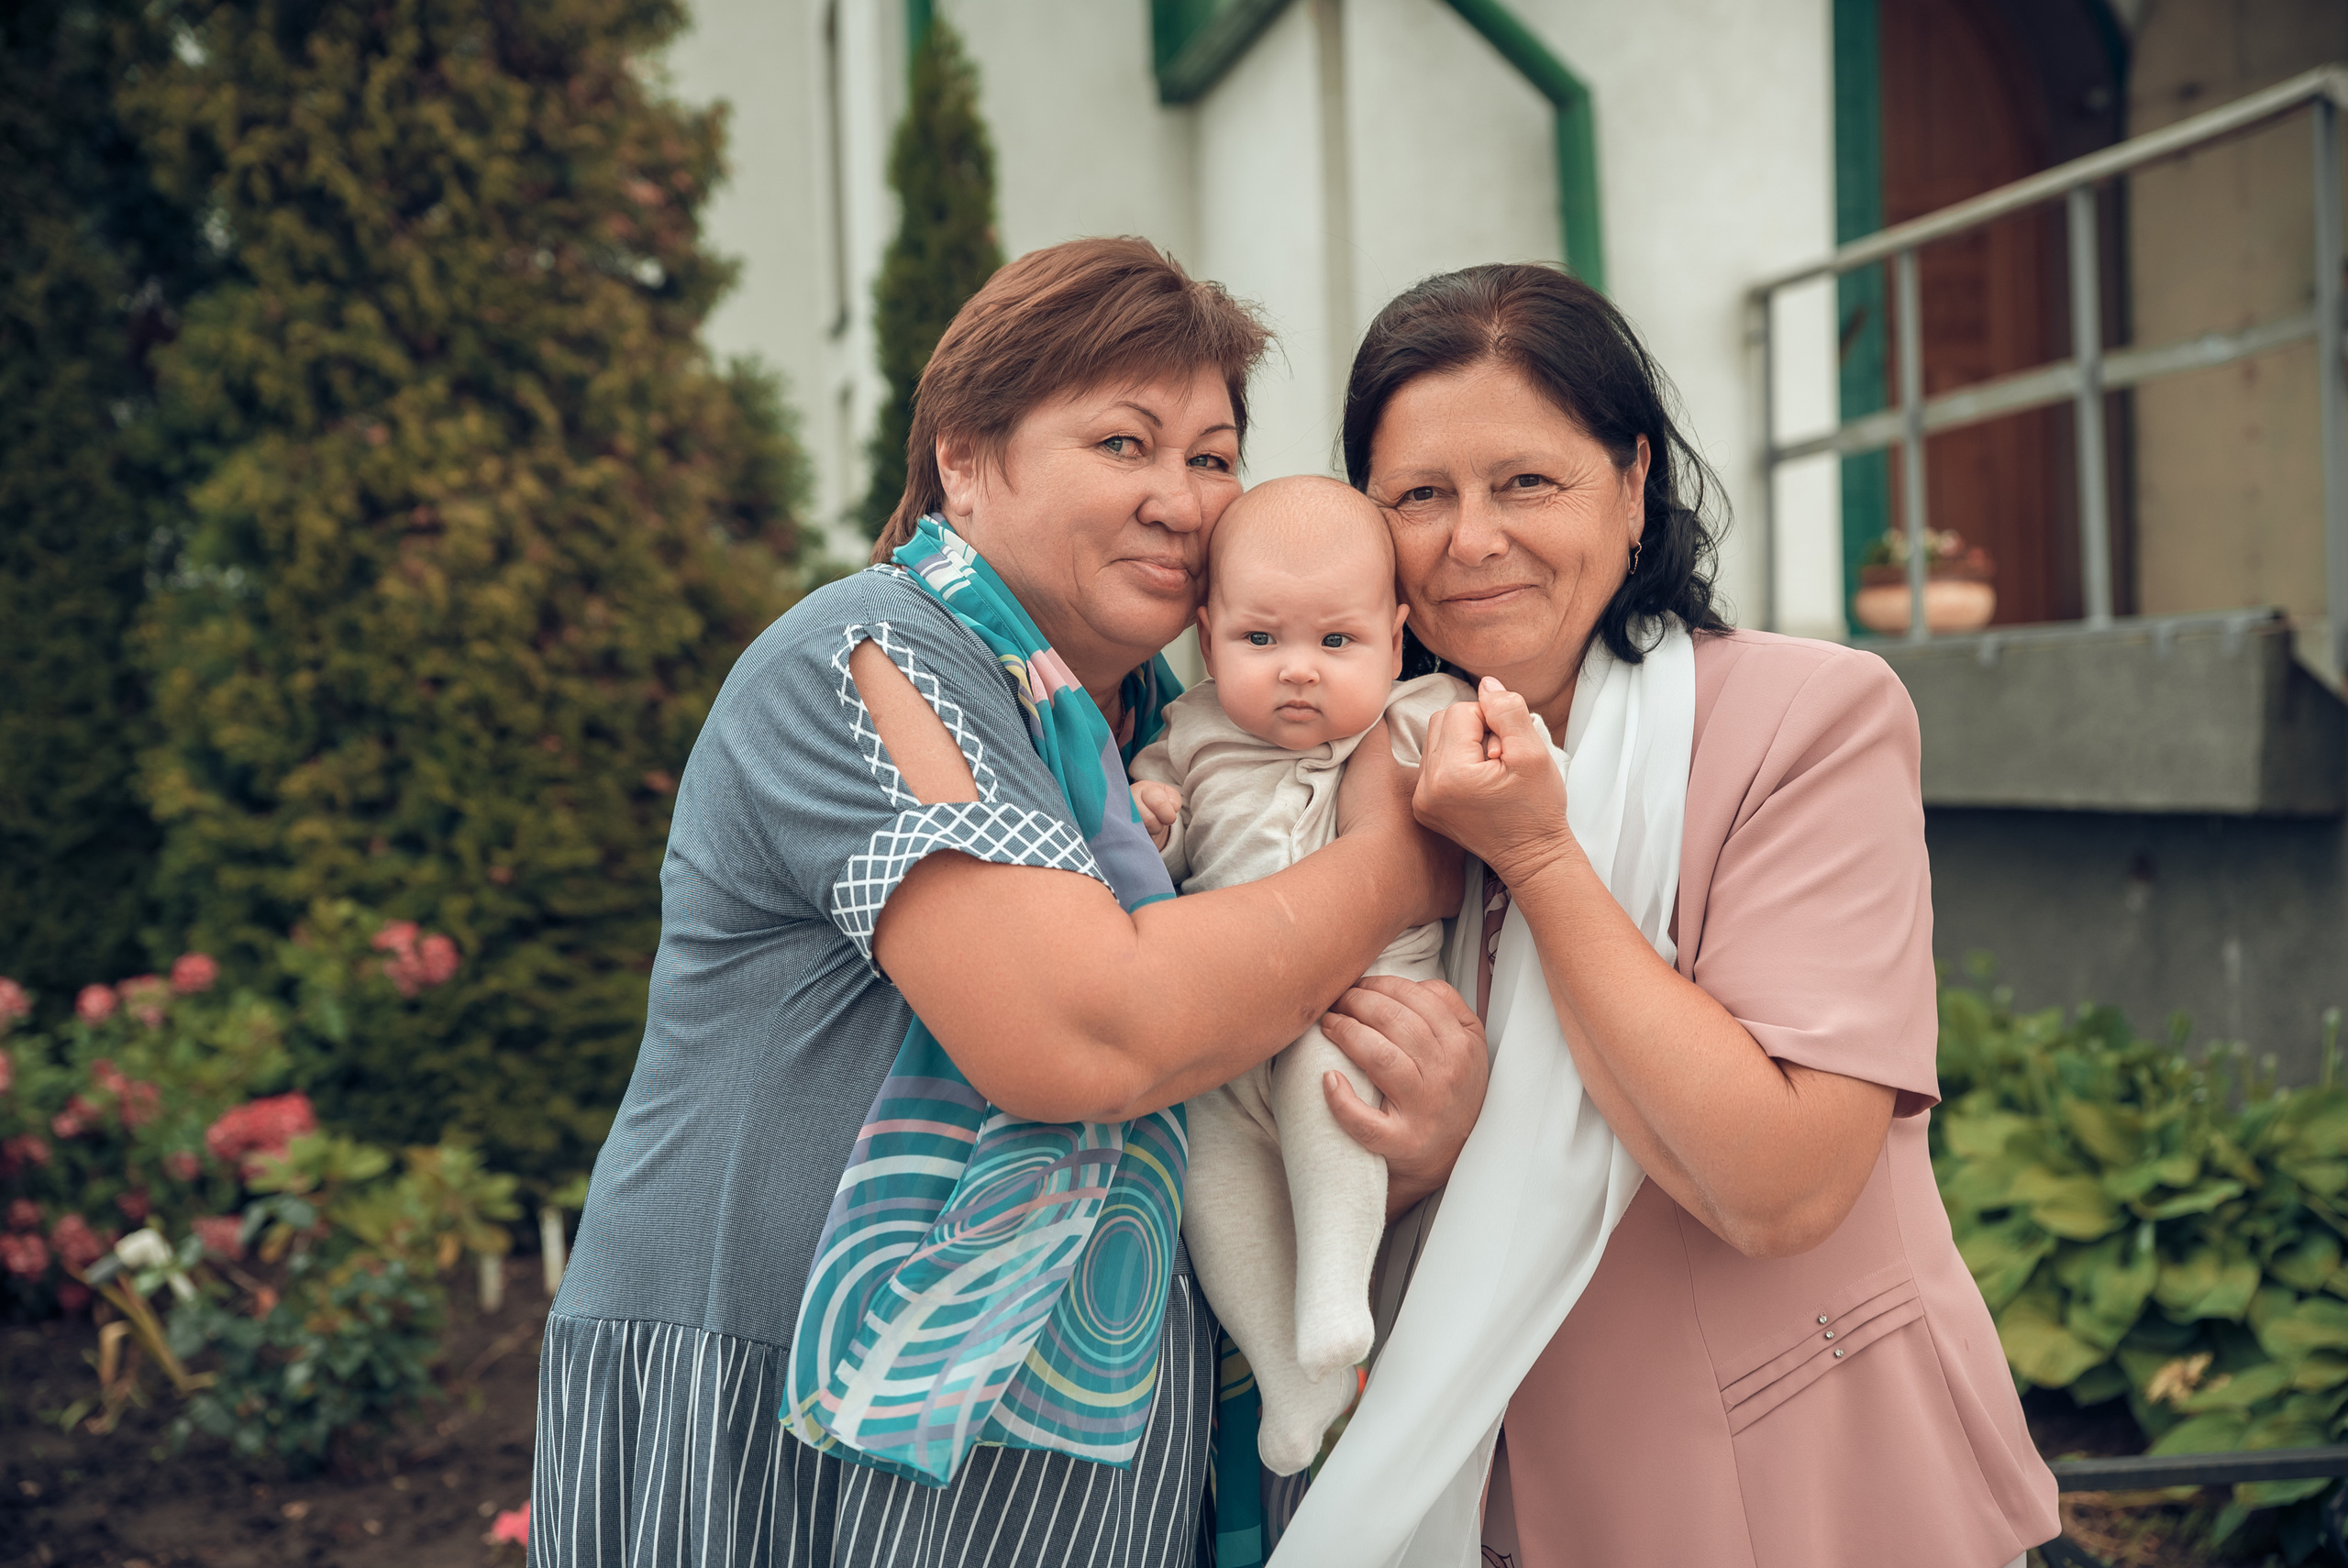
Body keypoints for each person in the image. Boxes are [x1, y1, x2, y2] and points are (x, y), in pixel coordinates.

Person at [526, 237, 1488, 1567]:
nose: (1182, 500)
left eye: (1213, 457)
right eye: (1124, 443)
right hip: (783, 1405)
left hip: (1069, 1440)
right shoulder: (869, 658)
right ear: (965, 460)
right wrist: (1396, 865)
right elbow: (1081, 1032)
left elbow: (1243, 1047)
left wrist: (1415, 1130)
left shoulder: (1176, 729)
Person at [1267, 264, 2060, 1568]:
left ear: (1633, 483)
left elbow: (1780, 1182)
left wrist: (1538, 855)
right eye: (1420, 496)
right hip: (1499, 1507)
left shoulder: (1808, 723)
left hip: (1802, 1499)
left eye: (1527, 481)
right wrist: (1423, 1153)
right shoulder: (1356, 776)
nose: (1473, 540)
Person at [1128, 475, 1470, 1476]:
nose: (1298, 671)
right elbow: (1160, 847)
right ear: (1207, 638)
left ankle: (1333, 1294)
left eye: (1336, 641)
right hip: (1225, 1035)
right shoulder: (1189, 733)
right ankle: (1288, 1376)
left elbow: (1507, 773)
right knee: (1206, 1174)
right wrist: (1155, 819)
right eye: (1259, 638)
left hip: (1355, 1008)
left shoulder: (1412, 714)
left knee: (1331, 1100)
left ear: (1395, 642)